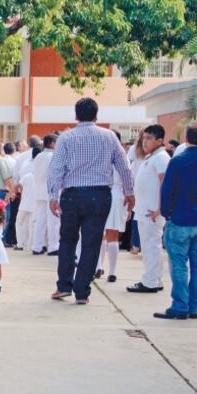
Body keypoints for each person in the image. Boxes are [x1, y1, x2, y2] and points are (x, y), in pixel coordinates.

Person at [48, 97, 135, 305]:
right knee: (92, 242)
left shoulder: (66, 138)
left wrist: (53, 195)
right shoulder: (109, 137)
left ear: (76, 115)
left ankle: (63, 286)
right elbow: (124, 166)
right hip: (100, 194)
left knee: (67, 240)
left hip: (72, 194)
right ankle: (82, 291)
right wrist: (130, 192)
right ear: (96, 115)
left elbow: (56, 168)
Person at [154, 120, 197, 319]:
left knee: (178, 264)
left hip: (180, 217)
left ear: (186, 139)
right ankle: (194, 306)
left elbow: (167, 189)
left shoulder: (178, 160)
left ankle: (180, 305)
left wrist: (167, 213)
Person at [127, 124, 171, 294]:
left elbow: (165, 183)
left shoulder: (161, 158)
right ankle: (154, 278)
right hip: (144, 209)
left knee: (151, 245)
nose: (145, 142)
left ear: (159, 140)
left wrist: (160, 209)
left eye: (149, 138)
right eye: (144, 138)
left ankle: (150, 281)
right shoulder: (151, 157)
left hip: (152, 212)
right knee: (149, 246)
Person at [96, 131, 130, 283]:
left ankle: (99, 267)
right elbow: (128, 177)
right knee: (112, 234)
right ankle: (111, 271)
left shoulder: (99, 155)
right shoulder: (123, 156)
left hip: (101, 194)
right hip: (117, 195)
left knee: (101, 233)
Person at [30, 134, 59, 256]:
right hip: (50, 190)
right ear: (52, 143)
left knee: (40, 219)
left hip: (38, 189)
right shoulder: (54, 156)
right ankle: (53, 246)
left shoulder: (39, 156)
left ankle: (37, 246)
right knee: (53, 220)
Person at [15, 147, 41, 253]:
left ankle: (21, 243)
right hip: (36, 203)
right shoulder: (41, 174)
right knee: (32, 225)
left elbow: (19, 186)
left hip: (25, 202)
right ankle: (30, 245)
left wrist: (20, 192)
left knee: (20, 222)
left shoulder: (27, 171)